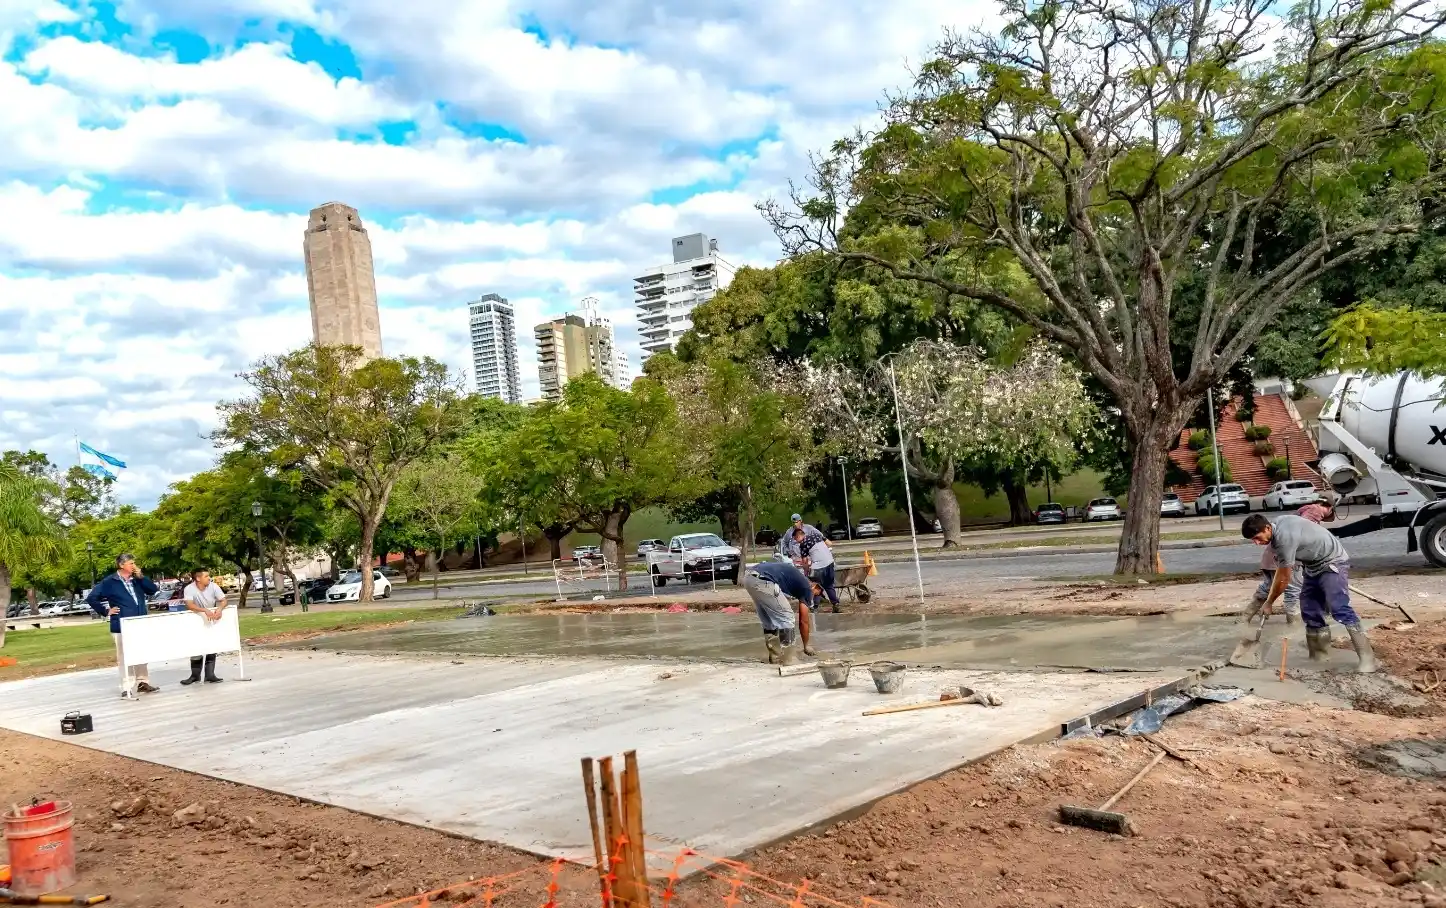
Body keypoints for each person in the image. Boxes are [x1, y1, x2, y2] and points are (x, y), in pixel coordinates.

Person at [1241, 512, 1374, 672]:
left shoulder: (1284, 540)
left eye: (1257, 537)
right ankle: (1319, 655)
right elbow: (1280, 572)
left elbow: (1284, 578)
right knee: (1310, 609)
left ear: (1267, 528)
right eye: (1253, 540)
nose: (1256, 543)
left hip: (1333, 562)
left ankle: (1368, 659)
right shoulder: (1278, 524)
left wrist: (1269, 602)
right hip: (1312, 566)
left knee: (1338, 607)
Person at [86, 553, 161, 698]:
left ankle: (142, 682)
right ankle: (127, 686)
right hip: (121, 624)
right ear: (121, 565)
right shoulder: (109, 582)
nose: (134, 566)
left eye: (134, 563)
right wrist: (106, 611)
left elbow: (152, 590)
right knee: (124, 656)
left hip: (139, 623)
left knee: (141, 653)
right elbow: (92, 598)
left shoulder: (137, 580)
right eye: (131, 563)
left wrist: (142, 577)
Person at [1247, 503, 1330, 629]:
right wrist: (1269, 603)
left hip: (1271, 558)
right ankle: (1293, 627)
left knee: (1267, 587)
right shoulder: (1316, 511)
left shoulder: (1283, 520)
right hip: (1287, 557)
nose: (1257, 543)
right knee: (1293, 590)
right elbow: (1304, 535)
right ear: (1330, 508)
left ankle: (1243, 619)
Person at [742, 560, 814, 665]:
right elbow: (803, 621)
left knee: (769, 621)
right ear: (815, 586)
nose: (815, 597)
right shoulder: (807, 587)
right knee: (787, 618)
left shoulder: (796, 578)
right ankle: (789, 659)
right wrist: (806, 645)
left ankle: (775, 657)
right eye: (818, 593)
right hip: (763, 580)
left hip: (749, 578)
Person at [179, 568, 227, 686]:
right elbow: (190, 605)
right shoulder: (189, 589)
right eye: (206, 576)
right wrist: (204, 610)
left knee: (211, 645)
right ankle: (195, 676)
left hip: (211, 620)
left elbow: (223, 600)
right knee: (196, 647)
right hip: (195, 620)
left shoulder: (214, 586)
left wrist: (220, 609)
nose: (208, 578)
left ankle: (210, 675)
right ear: (198, 578)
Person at [791, 525, 840, 613]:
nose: (796, 541)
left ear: (798, 536)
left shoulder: (803, 544)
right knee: (828, 585)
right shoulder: (816, 535)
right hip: (830, 562)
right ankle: (835, 604)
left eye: (795, 539)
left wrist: (806, 572)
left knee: (815, 585)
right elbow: (830, 543)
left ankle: (814, 606)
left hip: (819, 566)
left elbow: (805, 562)